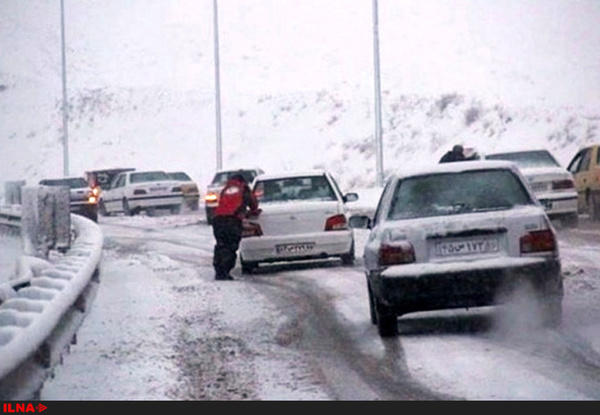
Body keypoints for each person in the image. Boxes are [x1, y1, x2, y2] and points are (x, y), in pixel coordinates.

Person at [211, 172, 260, 280]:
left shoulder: (225, 190)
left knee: (221, 244)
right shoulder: (244, 189)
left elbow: (225, 204)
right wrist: (254, 211)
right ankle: (225, 272)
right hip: (232, 221)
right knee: (230, 246)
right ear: (243, 181)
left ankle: (219, 270)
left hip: (217, 220)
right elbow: (253, 203)